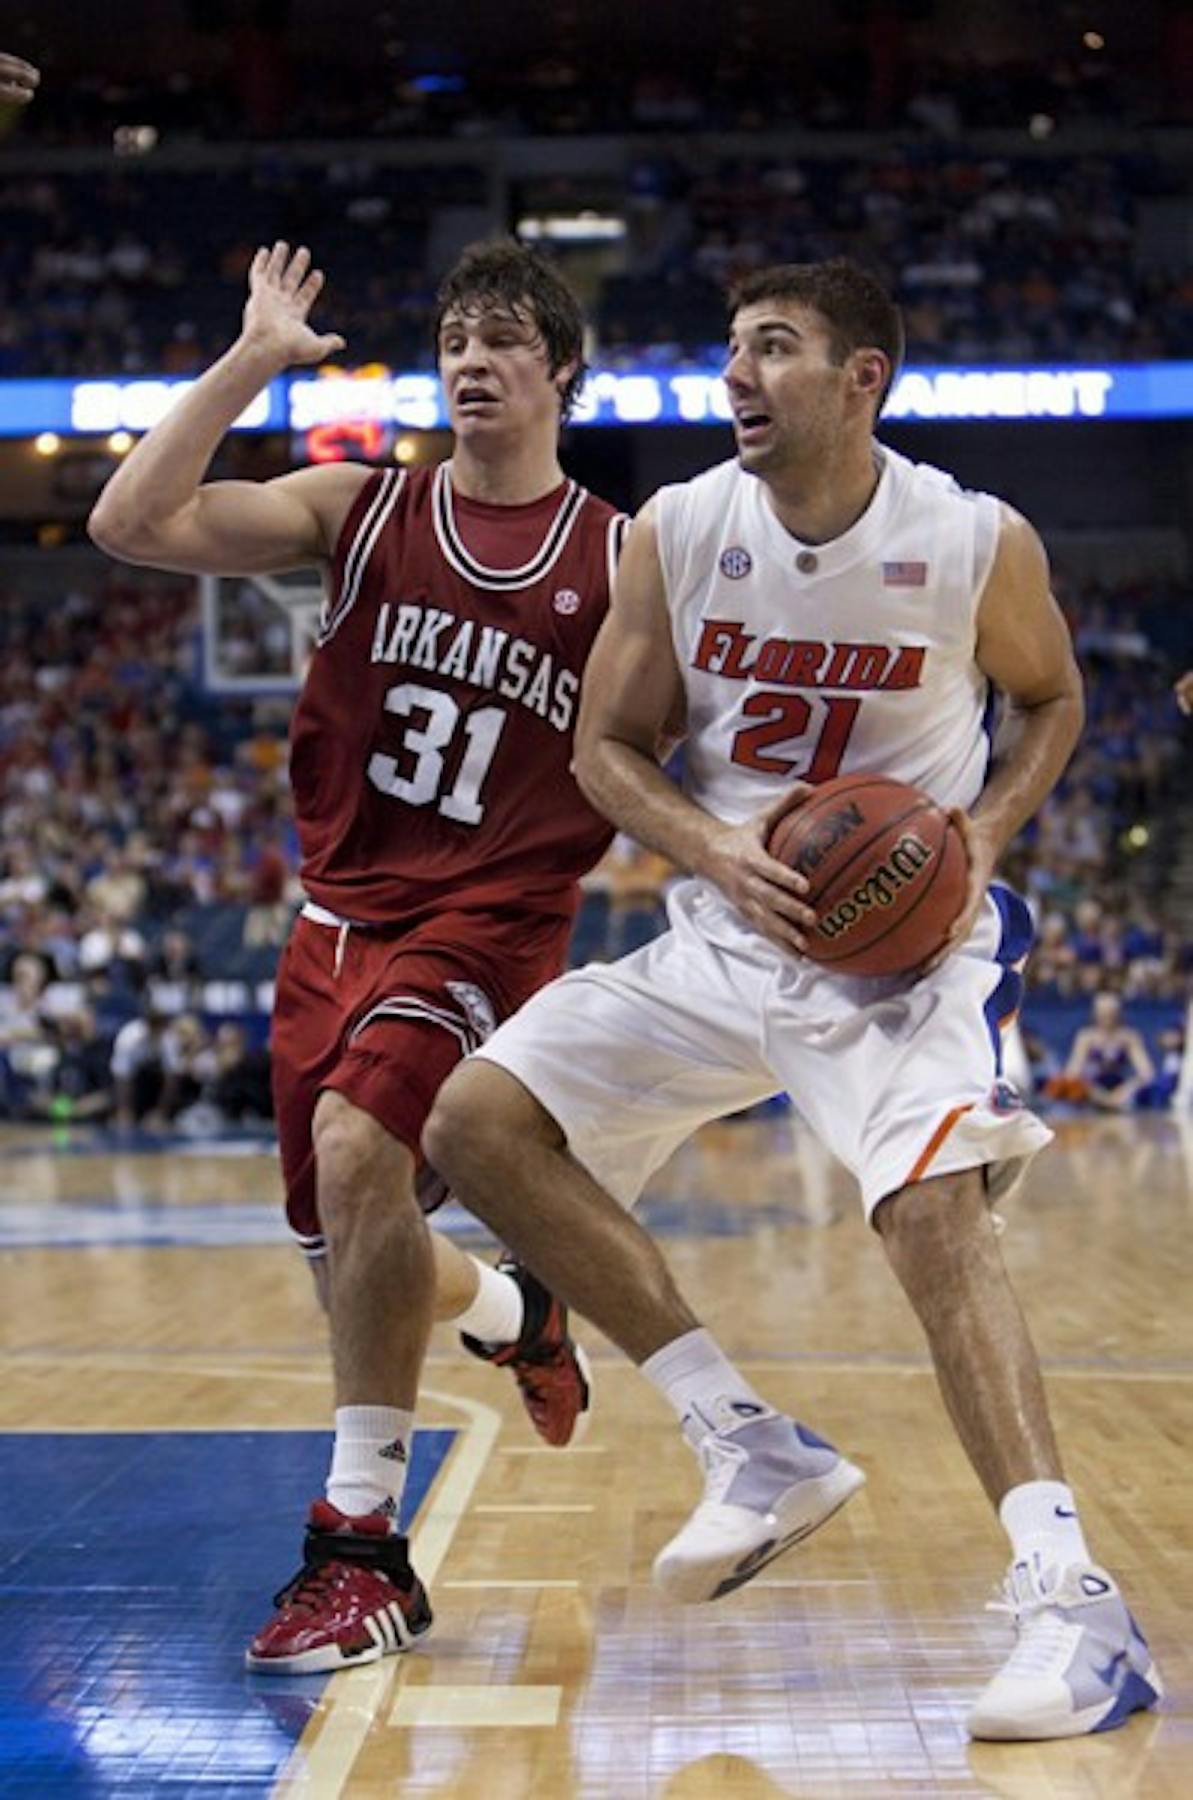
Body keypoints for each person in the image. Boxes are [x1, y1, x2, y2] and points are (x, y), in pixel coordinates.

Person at [426, 259, 1162, 1742]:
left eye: (772, 347)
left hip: (901, 959)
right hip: (730, 929)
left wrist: (986, 831)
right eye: (731, 349)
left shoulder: (969, 538)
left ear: (860, 377)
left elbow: (1052, 698)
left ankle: (1076, 1608)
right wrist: (711, 848)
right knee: (474, 1122)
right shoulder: (680, 527)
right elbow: (603, 747)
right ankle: (747, 1442)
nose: (736, 376)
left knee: (930, 1217)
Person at [89, 237, 628, 1671]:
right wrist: (254, 358)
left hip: (489, 927)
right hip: (336, 922)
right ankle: (517, 1306)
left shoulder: (622, 559)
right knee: (353, 1261)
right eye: (455, 338)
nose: (472, 361)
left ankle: (360, 1550)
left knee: (355, 1148)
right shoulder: (361, 508)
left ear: (564, 372)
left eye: (504, 339)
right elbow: (130, 522)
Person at [1048, 989, 1156, 1111]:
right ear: (1095, 1013)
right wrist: (1097, 1095)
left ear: (1119, 1013)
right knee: (1068, 1088)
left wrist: (1126, 1090)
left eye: (1111, 1013)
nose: (1107, 1017)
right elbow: (1072, 1073)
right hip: (1092, 1092)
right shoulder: (1086, 1037)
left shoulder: (1129, 1037)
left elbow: (1147, 1073)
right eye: (1103, 1013)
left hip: (1121, 1092)